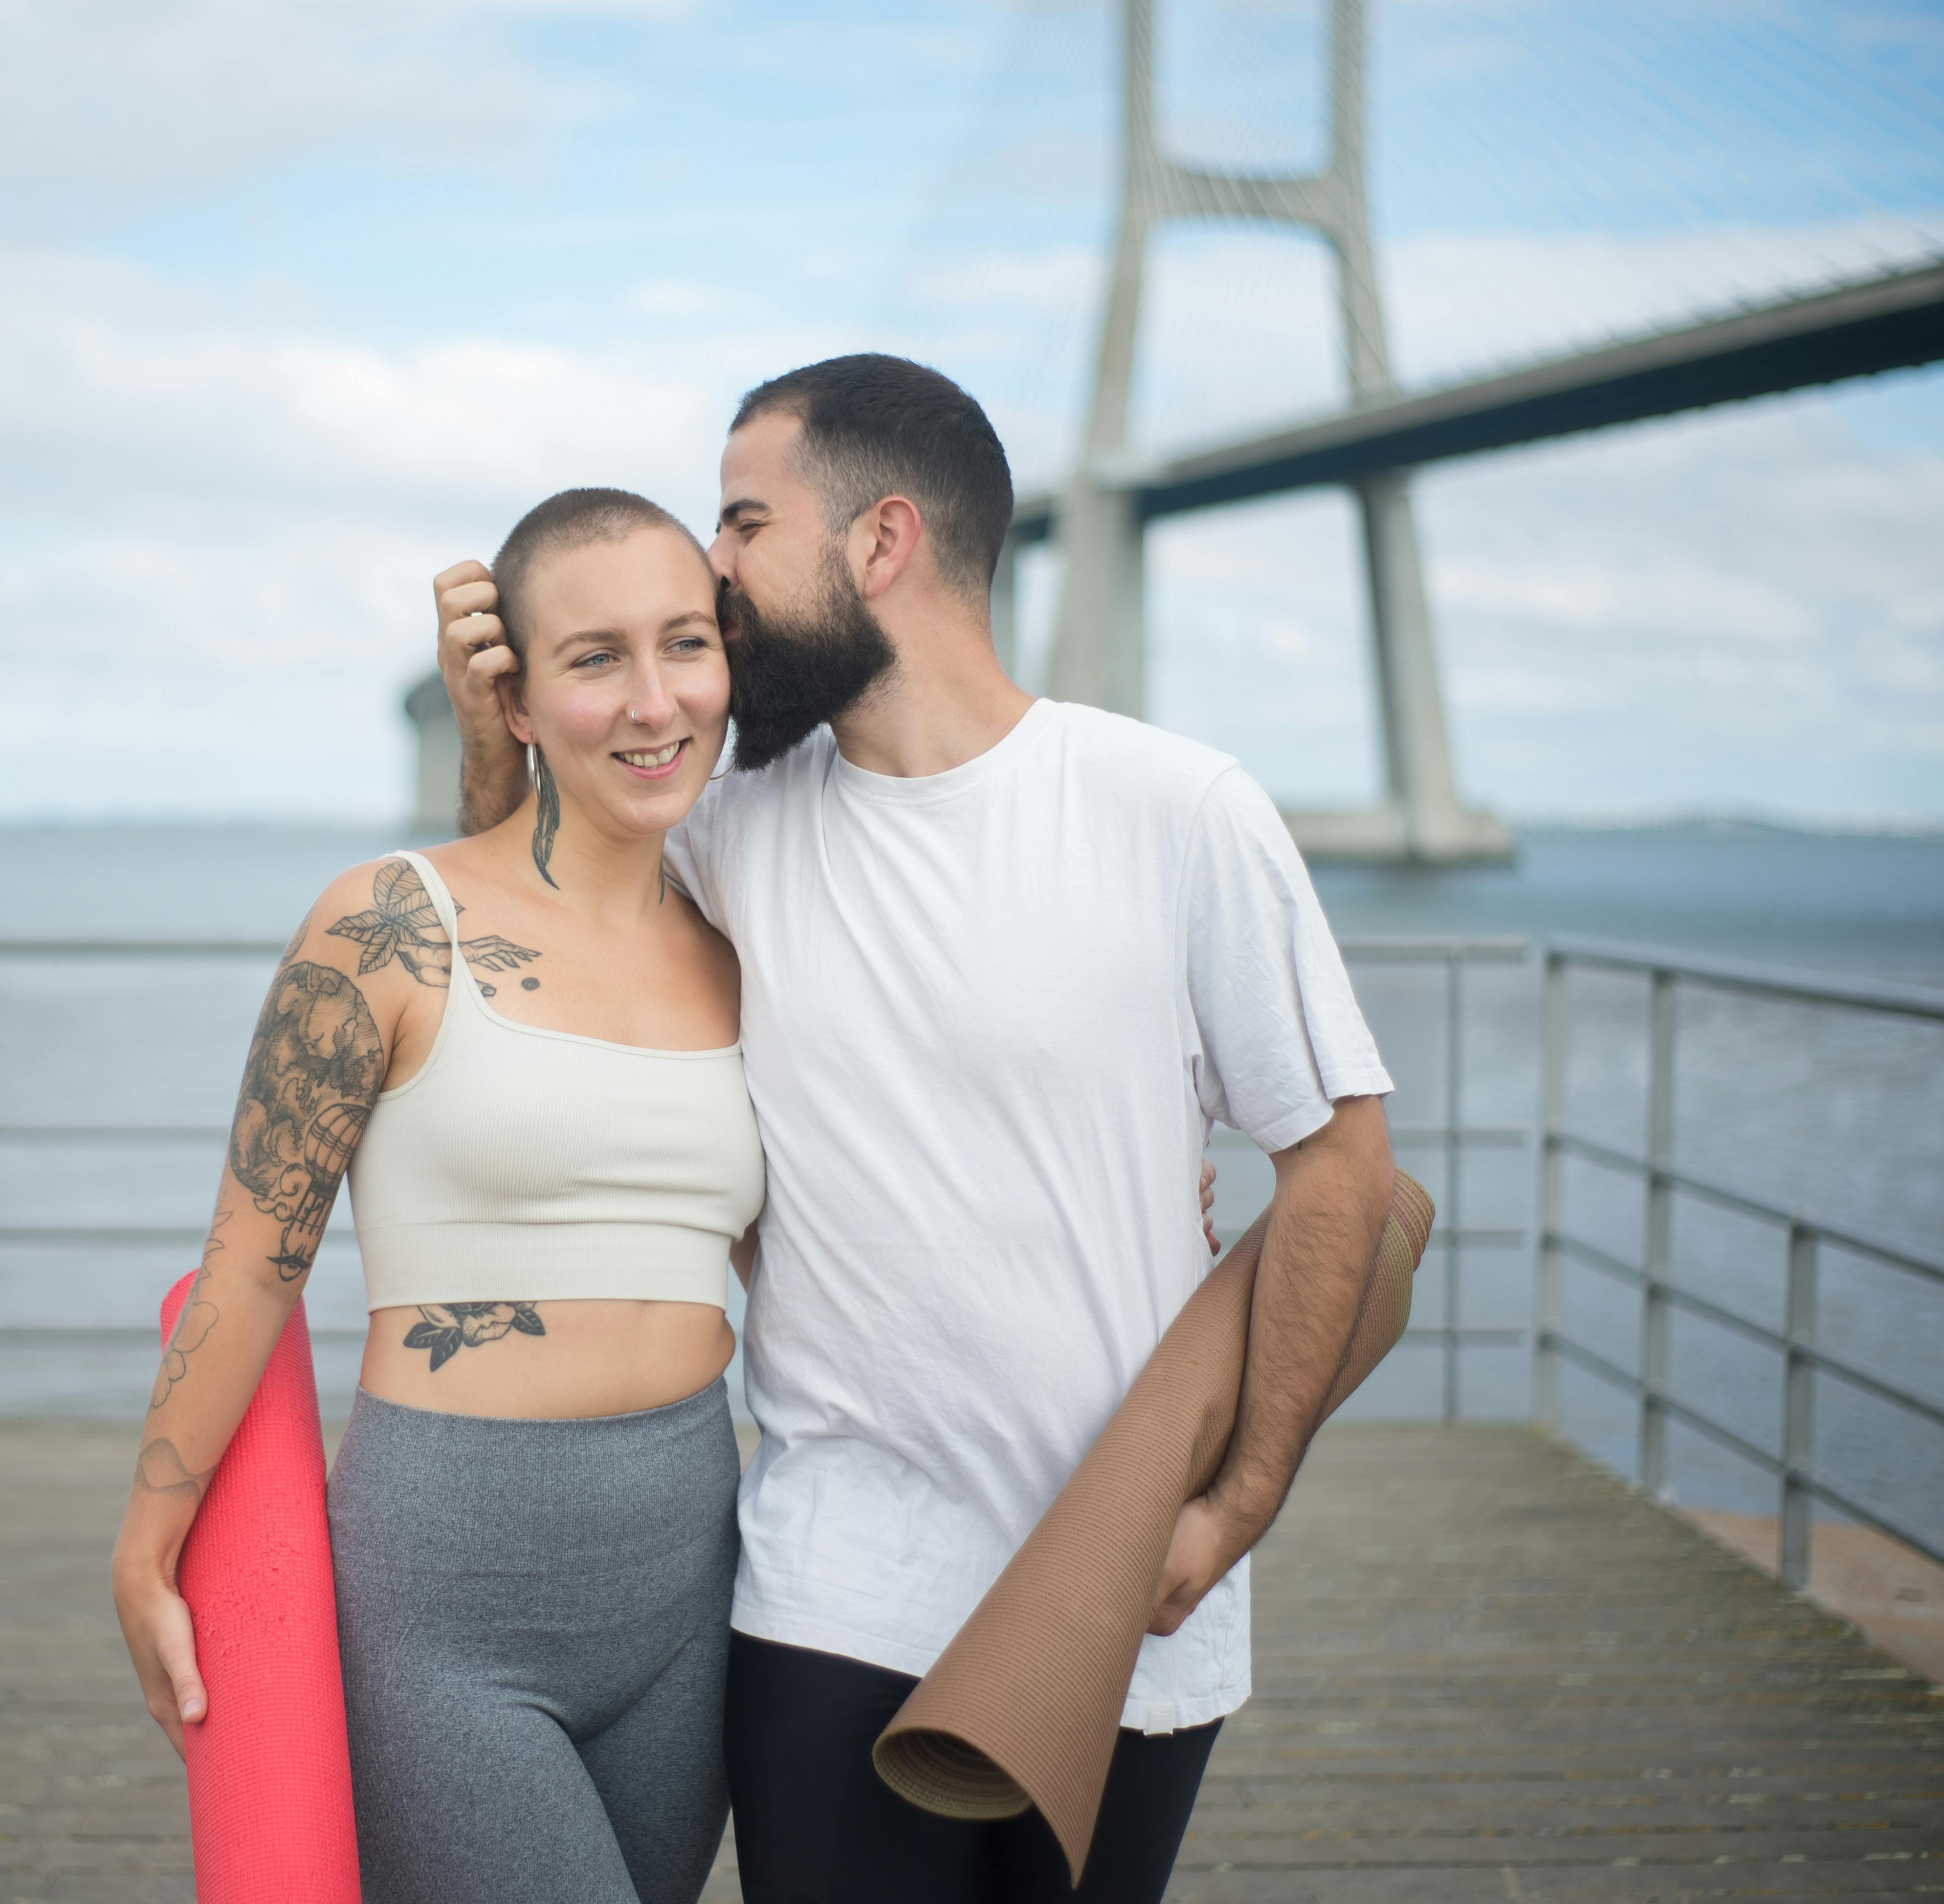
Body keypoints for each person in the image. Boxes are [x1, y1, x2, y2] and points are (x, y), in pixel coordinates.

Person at [433, 355, 1401, 1904]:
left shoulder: (1175, 808)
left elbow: (1340, 1172)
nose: (710, 566)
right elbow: (516, 932)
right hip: (834, 1583)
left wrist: (1235, 1505)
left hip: (1127, 1584)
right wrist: (495, 729)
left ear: (881, 542)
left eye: (742, 523)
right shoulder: (728, 829)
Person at [111, 487, 766, 1904]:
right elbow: (247, 1265)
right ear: (515, 700)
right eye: (594, 659)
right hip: (449, 1593)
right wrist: (146, 1546)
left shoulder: (743, 944)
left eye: (685, 646)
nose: (655, 702)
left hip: (694, 1578)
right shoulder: (387, 924)